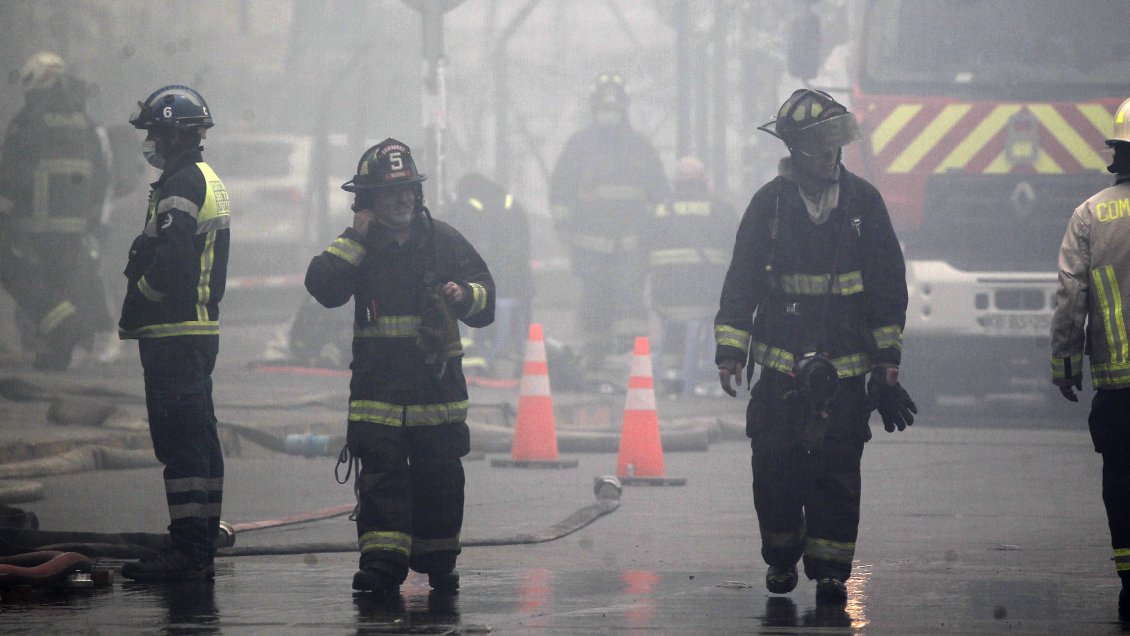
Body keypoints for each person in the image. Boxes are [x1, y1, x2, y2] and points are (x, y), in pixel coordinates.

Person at [714, 89, 916, 604]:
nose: (833, 156)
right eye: (822, 147)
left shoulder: (863, 202)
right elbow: (741, 282)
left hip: (846, 372)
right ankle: (781, 558)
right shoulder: (769, 205)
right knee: (774, 468)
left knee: (837, 473)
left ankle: (830, 570)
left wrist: (887, 358)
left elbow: (887, 283)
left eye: (836, 146)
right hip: (780, 370)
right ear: (797, 151)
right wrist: (731, 351)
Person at [305, 139, 494, 597]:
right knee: (381, 482)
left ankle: (438, 560)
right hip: (379, 394)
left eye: (408, 189)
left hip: (436, 394)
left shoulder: (444, 240)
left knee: (440, 480)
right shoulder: (358, 247)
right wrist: (355, 237)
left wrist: (464, 294)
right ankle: (382, 566)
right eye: (391, 193)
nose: (403, 199)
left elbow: (486, 297)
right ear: (367, 202)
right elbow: (324, 287)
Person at [118, 85, 229, 582]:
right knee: (200, 439)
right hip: (196, 333)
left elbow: (173, 265)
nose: (152, 144)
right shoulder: (200, 177)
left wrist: (143, 292)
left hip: (173, 334)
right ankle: (199, 541)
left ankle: (187, 551)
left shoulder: (181, 184)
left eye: (156, 134)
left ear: (178, 136)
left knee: (181, 442)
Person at [1050, 95, 1130, 622]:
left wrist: (1065, 365)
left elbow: (1070, 298)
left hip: (1119, 389)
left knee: (1122, 482)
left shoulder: (1092, 214)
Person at [549, 71, 669, 371]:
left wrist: (653, 232)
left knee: (630, 299)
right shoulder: (578, 147)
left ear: (624, 108)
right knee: (594, 300)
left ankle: (630, 354)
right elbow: (560, 189)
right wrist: (565, 224)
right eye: (604, 107)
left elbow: (660, 194)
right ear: (594, 108)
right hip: (589, 245)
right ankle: (595, 355)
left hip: (632, 244)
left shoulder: (641, 147)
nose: (609, 114)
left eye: (614, 108)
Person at [0, 51, 112, 370]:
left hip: (35, 222)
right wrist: (97, 221)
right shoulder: (86, 122)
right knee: (63, 285)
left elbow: (12, 170)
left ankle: (66, 334)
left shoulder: (28, 120)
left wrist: (4, 214)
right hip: (75, 226)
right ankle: (58, 353)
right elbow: (103, 172)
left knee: (33, 284)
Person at [646, 156, 735, 396]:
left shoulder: (658, 210)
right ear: (704, 181)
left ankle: (672, 373)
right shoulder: (720, 208)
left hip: (666, 301)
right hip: (708, 299)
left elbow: (645, 250)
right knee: (723, 319)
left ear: (675, 183)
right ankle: (713, 373)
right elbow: (739, 249)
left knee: (676, 322)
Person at [446, 172, 533, 376]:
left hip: (483, 280)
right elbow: (524, 243)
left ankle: (475, 356)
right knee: (515, 317)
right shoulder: (510, 204)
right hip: (517, 281)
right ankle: (516, 354)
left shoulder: (465, 207)